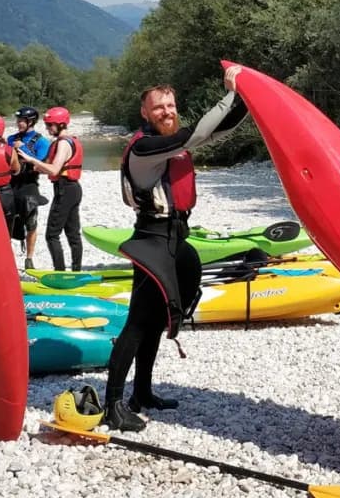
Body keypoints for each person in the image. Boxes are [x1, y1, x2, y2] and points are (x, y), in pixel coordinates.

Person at [102, 70, 249, 431]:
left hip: (174, 238)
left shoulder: (172, 144)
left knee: (156, 320)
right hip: (151, 240)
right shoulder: (145, 148)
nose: (166, 111)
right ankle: (112, 406)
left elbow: (216, 131)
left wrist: (247, 102)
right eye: (158, 107)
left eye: (170, 105)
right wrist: (230, 94)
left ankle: (142, 393)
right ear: (145, 112)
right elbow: (196, 133)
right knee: (138, 323)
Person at [17, 107, 83, 272]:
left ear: (61, 124)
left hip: (65, 189)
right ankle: (76, 270)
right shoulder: (66, 141)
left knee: (52, 235)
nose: (47, 128)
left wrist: (31, 159)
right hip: (72, 189)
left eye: (50, 125)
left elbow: (54, 170)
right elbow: (48, 167)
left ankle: (60, 271)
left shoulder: (63, 143)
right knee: (73, 233)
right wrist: (35, 165)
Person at [7, 106, 51, 270]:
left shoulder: (42, 142)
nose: (18, 123)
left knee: (31, 222)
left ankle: (29, 258)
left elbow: (41, 163)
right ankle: (8, 257)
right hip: (11, 185)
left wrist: (23, 148)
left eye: (21, 121)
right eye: (18, 120)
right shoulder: (11, 139)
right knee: (8, 222)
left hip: (29, 185)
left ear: (31, 122)